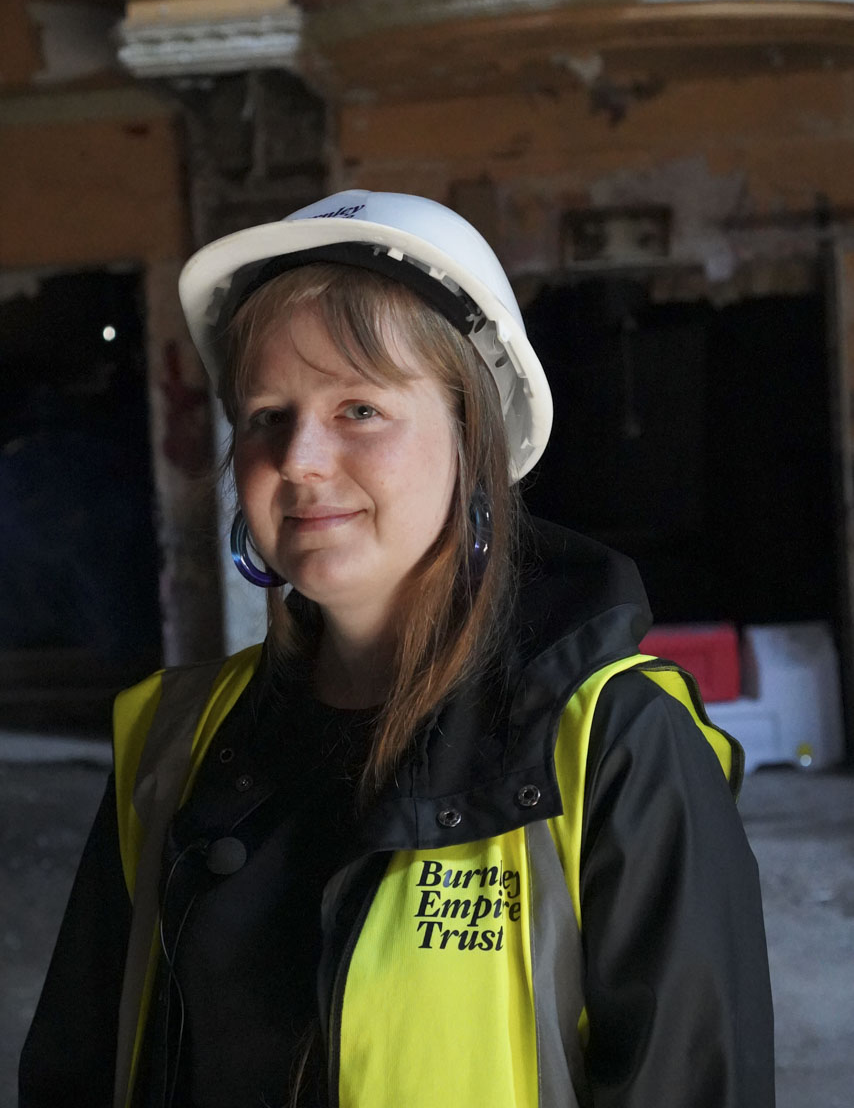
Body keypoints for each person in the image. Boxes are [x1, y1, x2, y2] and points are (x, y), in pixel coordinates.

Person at [20, 190, 775, 1108]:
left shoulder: (613, 746)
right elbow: (80, 1065)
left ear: (475, 442)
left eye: (360, 410)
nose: (298, 459)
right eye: (266, 414)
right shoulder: (169, 737)